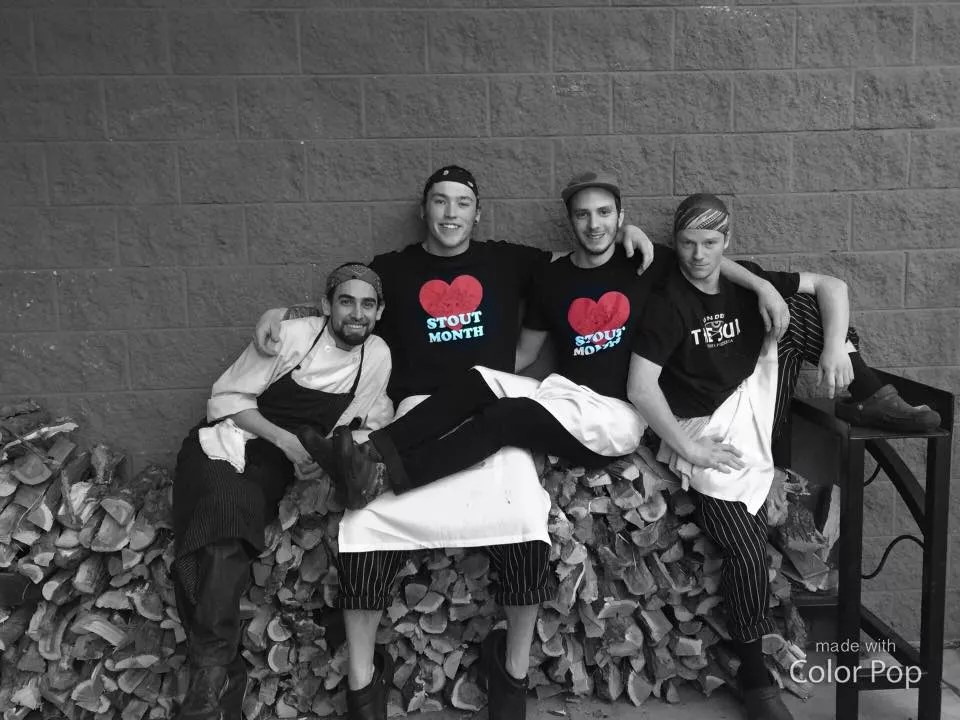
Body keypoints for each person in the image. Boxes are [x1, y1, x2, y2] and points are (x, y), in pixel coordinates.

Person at [252, 166, 676, 720]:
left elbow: (621, 257)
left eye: (462, 203)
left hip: (574, 412)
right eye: (440, 201)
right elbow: (348, 301)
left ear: (478, 213)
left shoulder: (515, 260)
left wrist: (627, 232)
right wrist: (281, 314)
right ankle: (362, 680)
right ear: (424, 210)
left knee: (522, 510)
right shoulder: (396, 268)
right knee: (376, 510)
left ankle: (511, 676)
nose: (451, 213)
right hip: (452, 403)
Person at [625, 193, 936, 720]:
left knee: (805, 313)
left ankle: (870, 395)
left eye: (710, 242)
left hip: (761, 404)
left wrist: (832, 346)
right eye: (687, 243)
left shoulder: (745, 280)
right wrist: (688, 446)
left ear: (728, 241)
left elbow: (833, 286)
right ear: (674, 242)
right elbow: (640, 386)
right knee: (746, 552)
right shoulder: (667, 296)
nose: (698, 255)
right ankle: (754, 677)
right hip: (712, 430)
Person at [172, 264, 392, 720]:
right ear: (327, 305)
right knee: (225, 509)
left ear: (379, 312)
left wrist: (325, 454)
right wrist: (287, 440)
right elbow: (226, 400)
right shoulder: (290, 336)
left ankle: (216, 681)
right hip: (225, 442)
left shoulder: (376, 356)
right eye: (346, 301)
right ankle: (214, 672)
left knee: (235, 520)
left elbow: (364, 417)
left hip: (277, 464)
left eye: (367, 304)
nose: (356, 313)